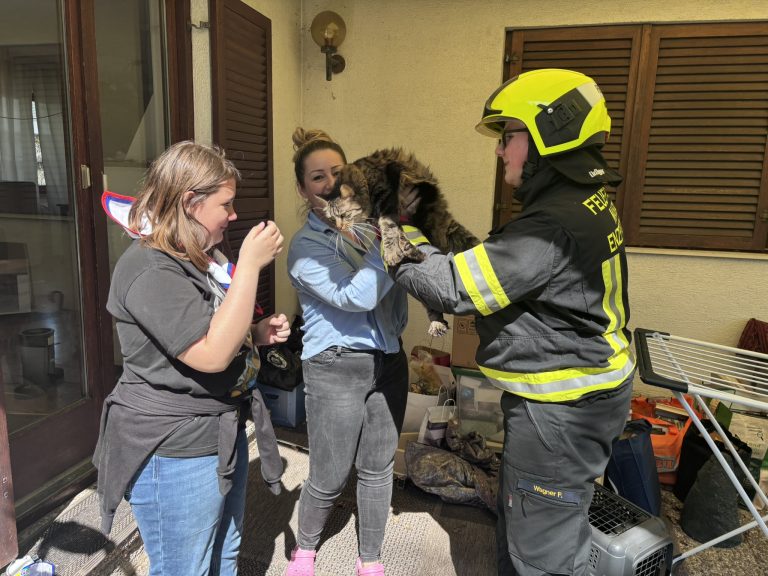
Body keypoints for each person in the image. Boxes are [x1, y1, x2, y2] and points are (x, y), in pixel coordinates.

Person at [391, 69, 636, 576]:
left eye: (508, 135)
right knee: (530, 522)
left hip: (561, 414)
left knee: (540, 557)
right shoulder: (584, 202)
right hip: (582, 398)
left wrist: (393, 237)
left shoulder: (551, 224)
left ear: (550, 135)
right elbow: (503, 272)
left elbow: (454, 287)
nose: (501, 150)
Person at [93, 141, 290, 576]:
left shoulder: (197, 258)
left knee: (224, 555)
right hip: (175, 449)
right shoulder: (150, 268)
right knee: (185, 569)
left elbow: (213, 329)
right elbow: (211, 354)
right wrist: (251, 266)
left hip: (218, 432)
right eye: (226, 204)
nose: (233, 215)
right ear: (189, 202)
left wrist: (256, 334)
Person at [284, 128, 409, 576]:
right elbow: (356, 297)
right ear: (303, 189)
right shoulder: (306, 247)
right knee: (330, 474)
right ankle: (305, 551)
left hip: (389, 361)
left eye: (337, 172)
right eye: (318, 177)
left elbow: (400, 289)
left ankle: (370, 558)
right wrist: (391, 243)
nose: (331, 183)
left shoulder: (371, 226)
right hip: (336, 367)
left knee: (377, 468)